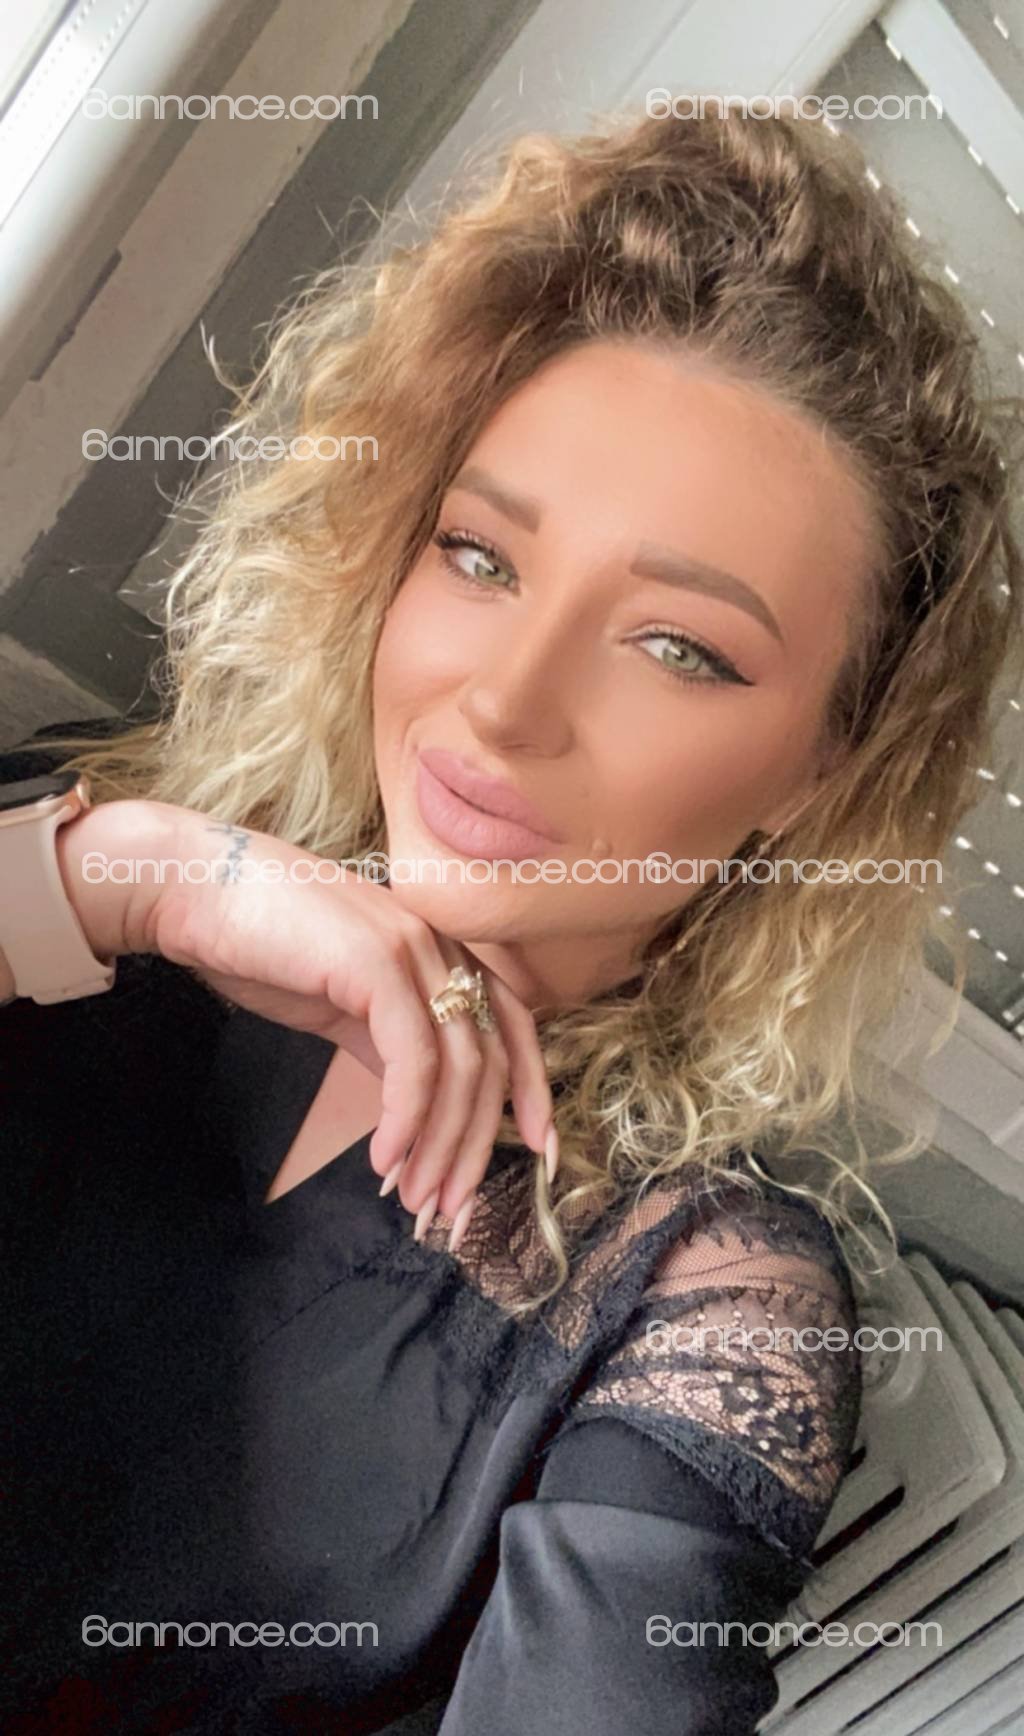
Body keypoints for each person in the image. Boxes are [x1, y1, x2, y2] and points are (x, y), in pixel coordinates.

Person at [2, 104, 1021, 1734]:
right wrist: (124, 884)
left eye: (678, 647)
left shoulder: (704, 1303)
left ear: (823, 773)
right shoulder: (106, 852)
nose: (504, 702)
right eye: (479, 557)